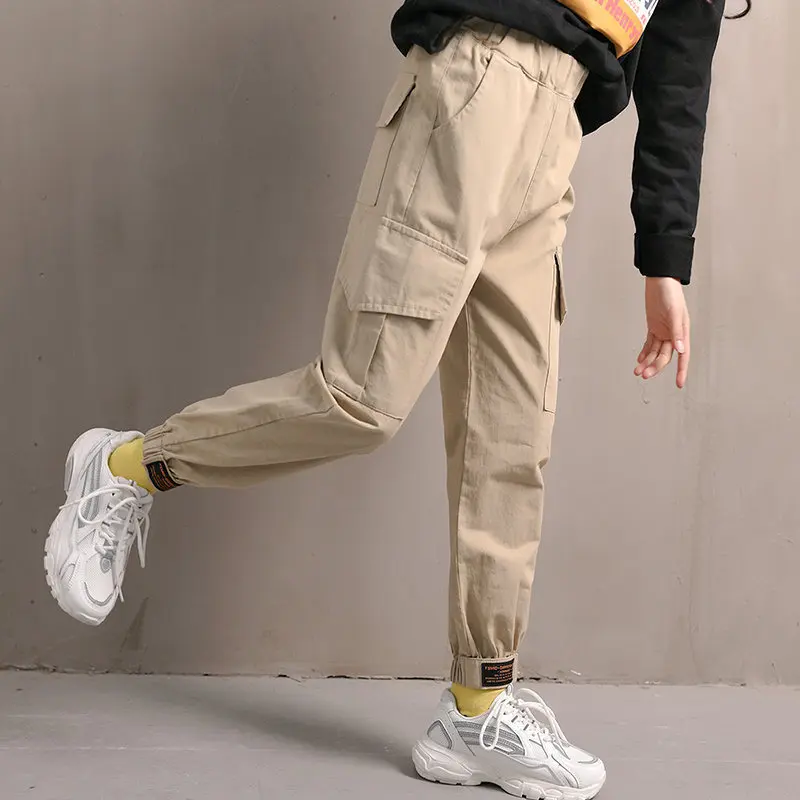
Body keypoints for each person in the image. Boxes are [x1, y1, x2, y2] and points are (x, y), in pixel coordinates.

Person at [43, 1, 749, 797]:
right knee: (360, 398)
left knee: (510, 441)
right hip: (478, 81)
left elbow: (678, 85)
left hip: (554, 131)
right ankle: (129, 467)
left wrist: (666, 263)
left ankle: (477, 709)